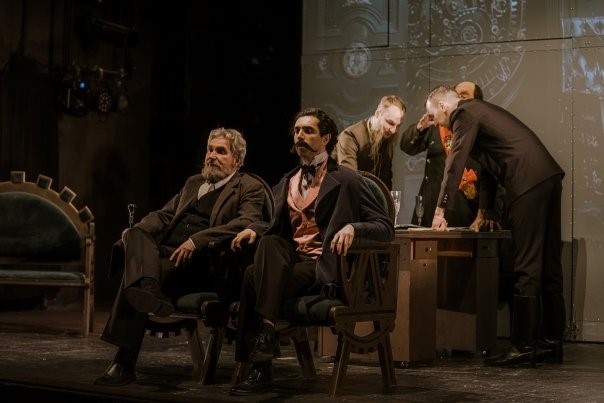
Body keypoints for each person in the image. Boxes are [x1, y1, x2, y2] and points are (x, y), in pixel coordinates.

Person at [228, 107, 394, 395]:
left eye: (308, 131)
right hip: (294, 262)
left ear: (326, 138)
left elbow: (385, 227)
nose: (300, 136)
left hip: (325, 267)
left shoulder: (349, 180)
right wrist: (255, 228)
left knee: (254, 278)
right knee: (268, 243)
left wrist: (354, 228)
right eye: (297, 131)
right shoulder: (286, 182)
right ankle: (267, 334)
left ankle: (259, 369)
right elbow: (274, 225)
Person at [94, 127, 268, 386]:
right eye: (210, 150)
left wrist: (196, 241)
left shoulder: (248, 187)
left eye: (221, 151)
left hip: (206, 263)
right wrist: (136, 232)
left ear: (237, 160)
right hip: (168, 254)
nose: (212, 156)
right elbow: (164, 215)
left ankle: (123, 362)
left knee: (136, 276)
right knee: (137, 234)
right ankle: (149, 289)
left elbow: (246, 222)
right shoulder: (194, 183)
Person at [425, 85, 566, 367]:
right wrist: (486, 210)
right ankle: (551, 344)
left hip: (526, 181)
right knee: (549, 264)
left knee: (526, 265)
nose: (434, 123)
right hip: (547, 177)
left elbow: (455, 162)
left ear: (443, 107)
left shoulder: (463, 113)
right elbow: (488, 169)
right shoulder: (479, 112)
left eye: (433, 116)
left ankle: (524, 347)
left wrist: (440, 210)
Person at [399, 81, 484, 227]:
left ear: (477, 103)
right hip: (433, 206)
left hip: (465, 207)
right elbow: (407, 146)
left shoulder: (480, 129)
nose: (458, 99)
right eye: (456, 95)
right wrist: (420, 127)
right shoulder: (438, 124)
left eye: (463, 96)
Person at [333, 95, 406, 189]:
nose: (393, 130)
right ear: (378, 114)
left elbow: (385, 182)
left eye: (398, 126)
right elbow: (350, 180)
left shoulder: (386, 139)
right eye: (390, 123)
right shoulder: (351, 136)